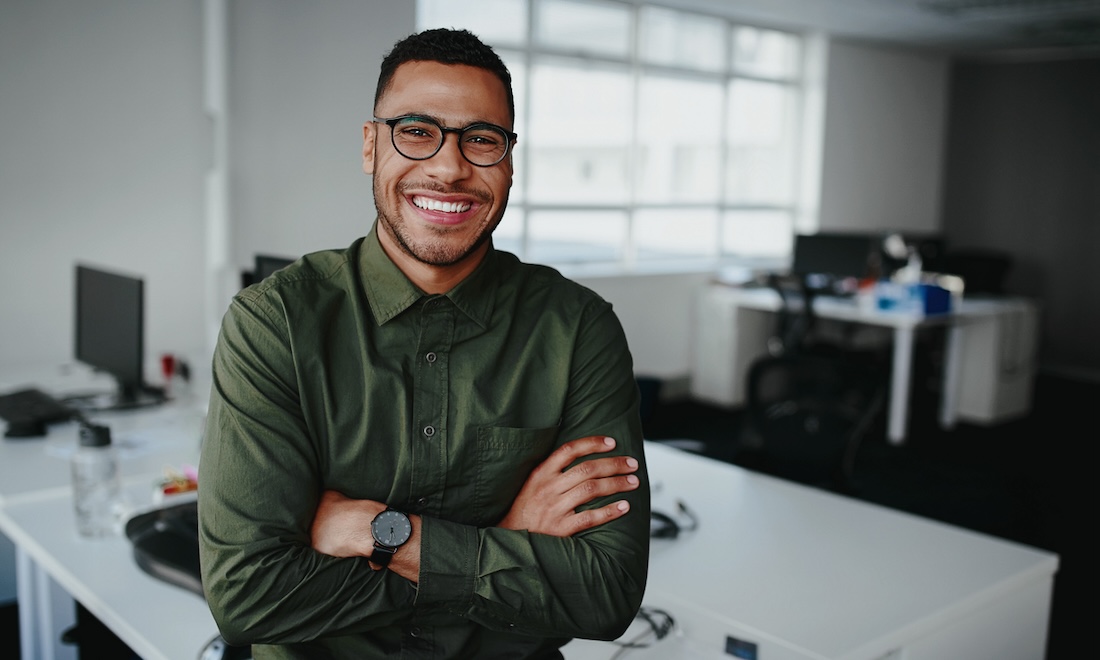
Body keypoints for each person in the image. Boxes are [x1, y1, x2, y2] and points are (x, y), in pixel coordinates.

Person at [198, 27, 650, 659]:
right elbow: (248, 599)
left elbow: (607, 595)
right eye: (416, 130)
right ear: (369, 145)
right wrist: (505, 539)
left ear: (509, 161)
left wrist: (386, 537)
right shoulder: (275, 321)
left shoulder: (577, 328)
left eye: (482, 139)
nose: (449, 167)